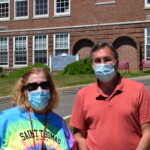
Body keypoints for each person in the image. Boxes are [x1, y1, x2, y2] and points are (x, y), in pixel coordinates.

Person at [69, 42, 150, 150]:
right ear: (93, 66)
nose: (102, 64)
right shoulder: (83, 95)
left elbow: (147, 132)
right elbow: (78, 136)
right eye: (97, 61)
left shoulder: (139, 90)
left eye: (107, 59)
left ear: (116, 62)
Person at [0, 67, 75, 150]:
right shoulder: (6, 119)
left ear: (50, 89)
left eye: (44, 85)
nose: (40, 90)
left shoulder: (59, 123)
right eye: (32, 86)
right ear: (24, 91)